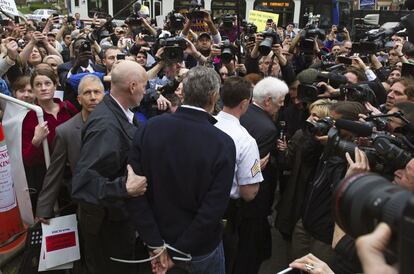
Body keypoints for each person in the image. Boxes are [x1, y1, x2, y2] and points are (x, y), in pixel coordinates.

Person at [127, 66, 236, 274]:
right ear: (214, 96)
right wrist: (173, 251)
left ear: (182, 93)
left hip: (160, 244)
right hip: (198, 252)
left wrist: (156, 244)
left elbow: (135, 192)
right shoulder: (223, 143)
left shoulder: (149, 128)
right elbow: (213, 209)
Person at [71, 61, 148, 274]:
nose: (145, 90)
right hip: (108, 230)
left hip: (118, 221)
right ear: (132, 86)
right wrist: (125, 188)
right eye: (144, 85)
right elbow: (83, 183)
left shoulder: (118, 111)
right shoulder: (106, 126)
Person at [237, 77, 289, 274]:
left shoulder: (244, 112)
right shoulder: (267, 129)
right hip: (252, 202)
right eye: (281, 100)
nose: (283, 105)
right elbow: (252, 167)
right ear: (268, 101)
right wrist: (258, 168)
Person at [35, 75, 105, 221]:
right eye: (87, 93)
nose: (93, 97)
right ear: (79, 99)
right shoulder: (66, 131)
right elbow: (55, 171)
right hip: (87, 204)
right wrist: (44, 208)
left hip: (118, 203)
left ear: (104, 96)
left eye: (97, 92)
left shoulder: (118, 123)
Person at [215, 76, 263, 274]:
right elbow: (249, 193)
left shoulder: (204, 124)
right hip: (223, 214)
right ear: (245, 103)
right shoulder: (245, 141)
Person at [22, 66, 78, 213]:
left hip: (73, 174)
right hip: (48, 177)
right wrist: (36, 140)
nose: (43, 88)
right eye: (38, 85)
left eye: (47, 83)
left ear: (55, 85)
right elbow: (28, 159)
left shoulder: (68, 108)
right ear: (33, 90)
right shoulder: (30, 118)